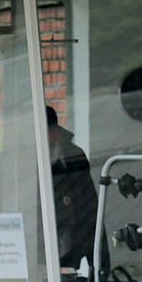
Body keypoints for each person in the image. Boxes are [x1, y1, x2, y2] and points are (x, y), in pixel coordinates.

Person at [46, 105, 96, 271]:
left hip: (67, 239)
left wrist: (97, 264)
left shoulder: (72, 156)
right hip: (43, 239)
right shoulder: (28, 157)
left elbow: (89, 204)